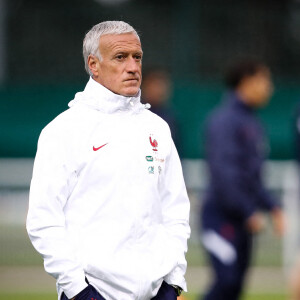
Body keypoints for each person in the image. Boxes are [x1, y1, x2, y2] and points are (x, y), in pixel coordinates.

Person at [26, 21, 190, 300]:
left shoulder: (157, 128)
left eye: (137, 57)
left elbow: (174, 212)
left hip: (156, 293)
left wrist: (173, 283)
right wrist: (79, 290)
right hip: (91, 293)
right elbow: (43, 221)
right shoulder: (64, 130)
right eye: (120, 57)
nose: (133, 66)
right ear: (94, 65)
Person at [200, 59, 285, 300]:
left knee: (235, 287)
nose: (269, 87)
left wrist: (273, 206)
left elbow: (252, 179)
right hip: (221, 218)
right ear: (247, 81)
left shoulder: (252, 122)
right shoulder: (224, 121)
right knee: (226, 282)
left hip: (241, 221)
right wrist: (248, 211)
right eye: (265, 80)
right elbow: (224, 174)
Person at [141, 69, 181, 154]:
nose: (159, 90)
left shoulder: (170, 117)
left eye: (162, 85)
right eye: (155, 85)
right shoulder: (136, 114)